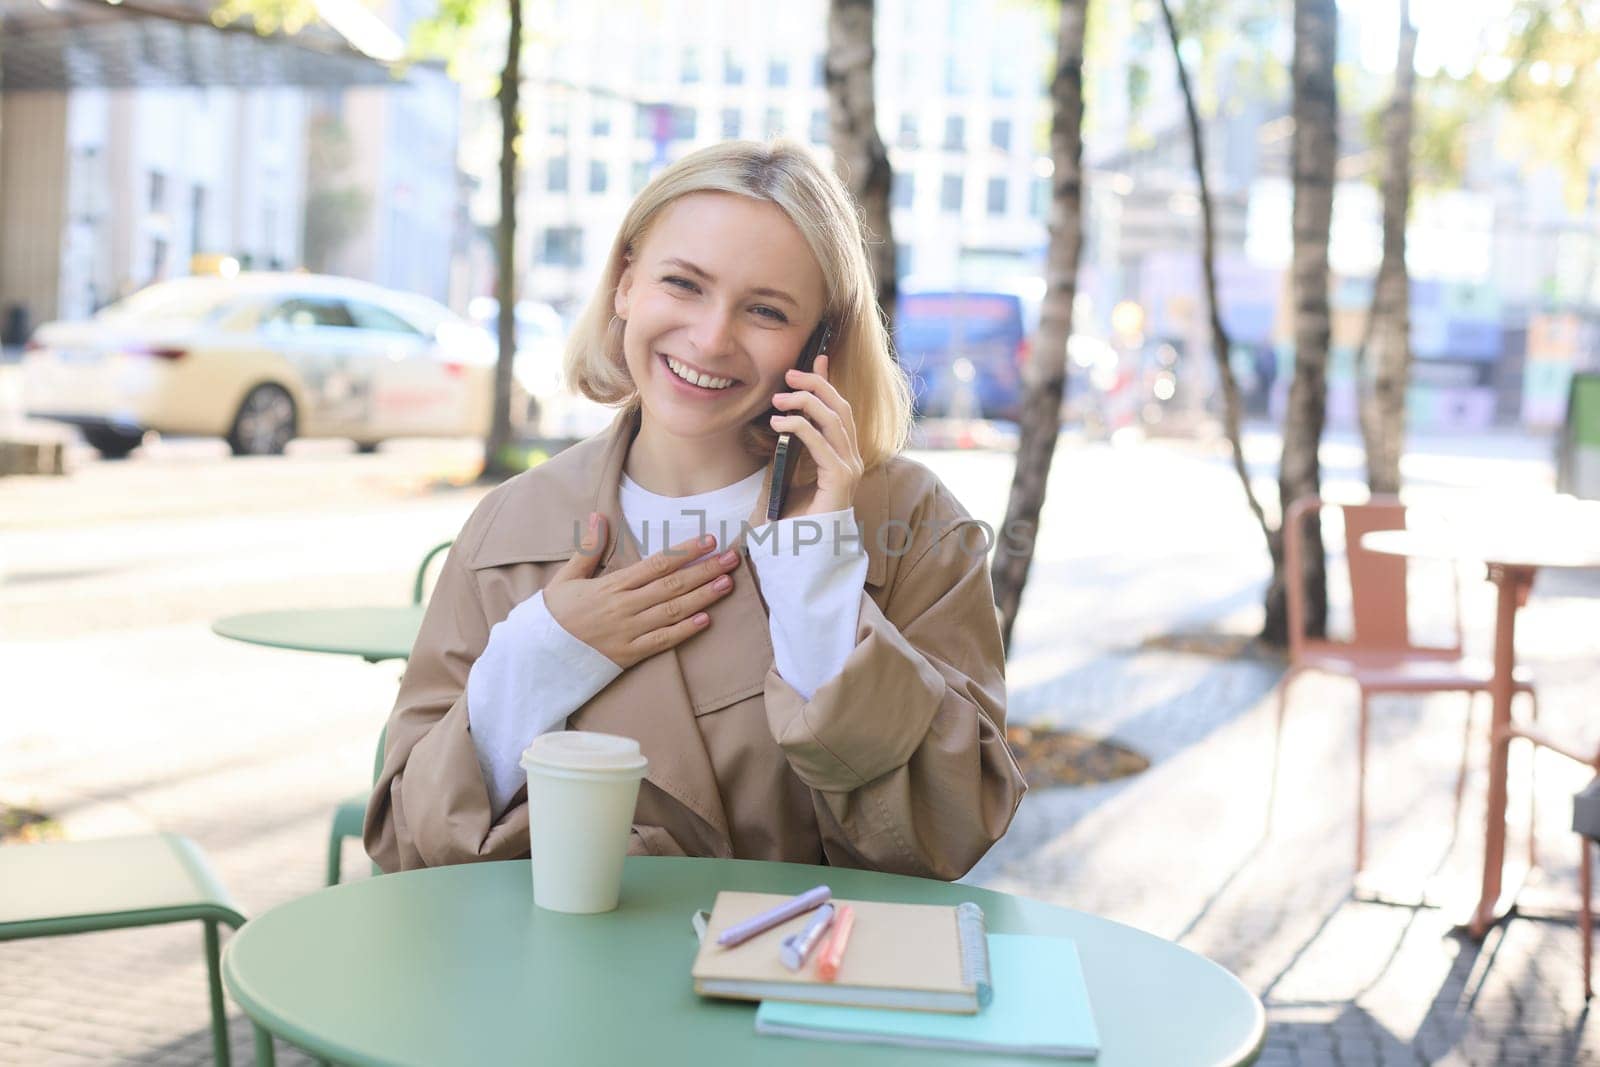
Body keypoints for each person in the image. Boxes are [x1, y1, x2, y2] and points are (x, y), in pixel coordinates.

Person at [365, 140, 1026, 880]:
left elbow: (950, 827)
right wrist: (538, 659)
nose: (711, 338)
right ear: (624, 283)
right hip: (560, 984)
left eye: (766, 310)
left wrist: (818, 586)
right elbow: (407, 848)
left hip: (801, 983)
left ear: (820, 344)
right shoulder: (510, 528)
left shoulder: (914, 524)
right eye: (683, 284)